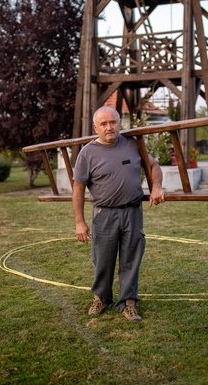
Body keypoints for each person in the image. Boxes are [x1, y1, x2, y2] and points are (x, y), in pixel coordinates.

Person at [73, 106, 165, 322]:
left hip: (132, 213)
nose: (109, 127)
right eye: (103, 124)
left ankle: (128, 303)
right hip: (104, 215)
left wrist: (157, 186)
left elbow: (154, 166)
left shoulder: (133, 145)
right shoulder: (87, 153)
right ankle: (101, 298)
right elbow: (78, 189)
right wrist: (79, 221)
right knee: (102, 260)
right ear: (95, 127)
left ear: (119, 123)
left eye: (113, 122)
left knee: (131, 259)